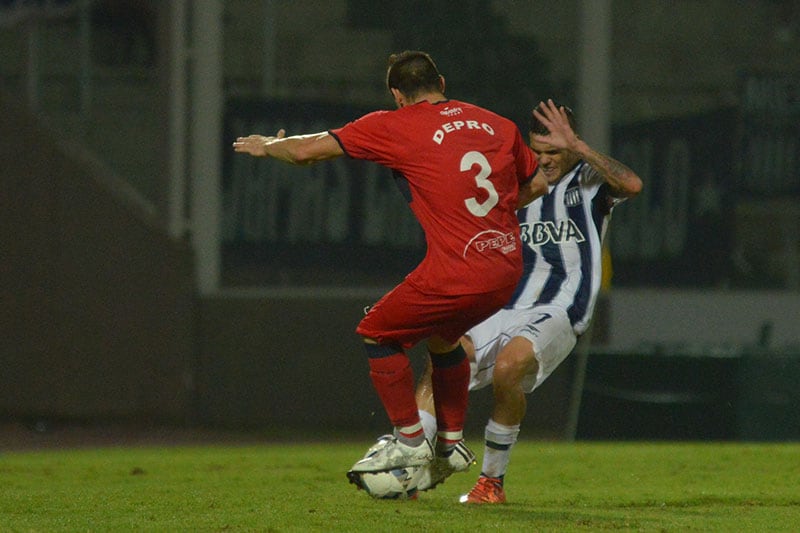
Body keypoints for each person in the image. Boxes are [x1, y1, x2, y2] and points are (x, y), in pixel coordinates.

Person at [232, 51, 547, 479]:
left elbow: (306, 151)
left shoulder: (394, 124)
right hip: (506, 267)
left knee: (378, 332)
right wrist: (497, 218)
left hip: (457, 270)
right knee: (442, 338)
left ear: (398, 95)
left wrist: (267, 146)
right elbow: (539, 181)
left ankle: (409, 441)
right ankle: (451, 445)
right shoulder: (497, 123)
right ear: (441, 81)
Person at [412, 99, 643, 503]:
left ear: (572, 147)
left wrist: (583, 147)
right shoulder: (511, 184)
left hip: (557, 309)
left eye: (555, 151)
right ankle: (411, 471)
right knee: (442, 363)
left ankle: (490, 484)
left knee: (509, 368)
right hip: (501, 304)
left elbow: (633, 185)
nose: (546, 160)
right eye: (538, 152)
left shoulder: (589, 182)